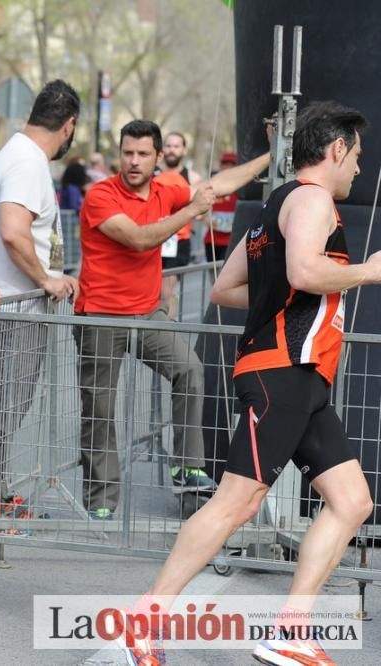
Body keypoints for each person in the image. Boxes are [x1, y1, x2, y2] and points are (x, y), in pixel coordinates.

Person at [124, 101, 377, 666]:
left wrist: (280, 298)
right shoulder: (312, 200)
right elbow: (306, 272)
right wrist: (367, 271)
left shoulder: (274, 206)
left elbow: (226, 289)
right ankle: (145, 617)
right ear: (336, 149)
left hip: (301, 377)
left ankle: (291, 630)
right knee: (236, 503)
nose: (359, 169)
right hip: (282, 373)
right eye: (356, 156)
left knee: (352, 501)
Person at [74, 119, 269, 520]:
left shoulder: (168, 188)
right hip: (100, 316)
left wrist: (271, 154)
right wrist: (194, 211)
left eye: (143, 154)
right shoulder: (100, 195)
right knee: (100, 408)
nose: (133, 161)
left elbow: (220, 185)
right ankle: (101, 500)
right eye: (128, 152)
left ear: (158, 158)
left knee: (190, 371)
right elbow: (140, 238)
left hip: (147, 313)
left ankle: (187, 465)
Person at [0, 79, 81, 530]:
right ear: (69, 126)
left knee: (3, 410)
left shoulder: (18, 154)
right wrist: (45, 278)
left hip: (6, 308)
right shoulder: (28, 162)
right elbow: (13, 231)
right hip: (8, 311)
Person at [154, 132, 202, 320]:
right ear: (162, 149)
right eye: (168, 146)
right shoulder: (153, 173)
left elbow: (202, 207)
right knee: (151, 291)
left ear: (184, 150)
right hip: (154, 237)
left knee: (166, 290)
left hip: (178, 240)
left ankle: (167, 327)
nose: (171, 150)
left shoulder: (192, 177)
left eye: (176, 146)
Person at [204, 151, 239, 262]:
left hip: (231, 240)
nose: (228, 167)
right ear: (220, 165)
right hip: (212, 239)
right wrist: (205, 218)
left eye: (232, 164)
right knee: (212, 274)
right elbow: (200, 211)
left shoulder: (242, 189)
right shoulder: (211, 186)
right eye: (225, 163)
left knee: (224, 274)